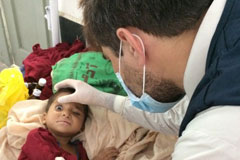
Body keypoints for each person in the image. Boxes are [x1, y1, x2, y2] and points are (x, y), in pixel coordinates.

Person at [55, 0, 240, 159]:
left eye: (110, 59)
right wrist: (103, 99)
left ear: (132, 46)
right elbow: (179, 115)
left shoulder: (212, 142)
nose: (115, 70)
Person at [18, 88, 119, 160]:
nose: (66, 114)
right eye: (59, 108)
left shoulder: (80, 150)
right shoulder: (36, 137)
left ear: (82, 127)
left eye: (76, 112)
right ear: (44, 118)